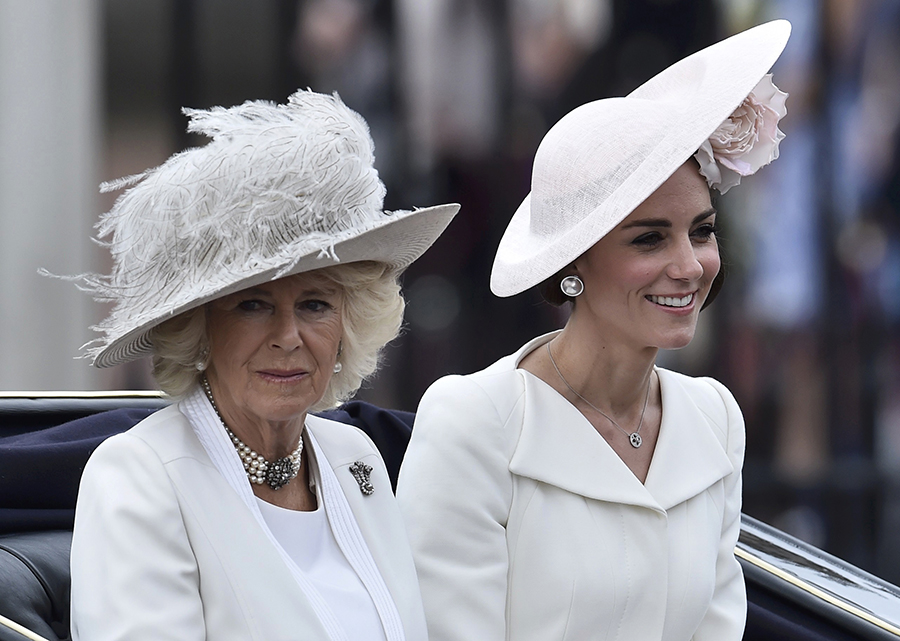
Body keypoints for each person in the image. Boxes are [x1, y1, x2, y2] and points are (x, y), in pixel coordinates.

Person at [396, 20, 790, 641]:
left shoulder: (714, 417)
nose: (689, 265)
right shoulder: (474, 423)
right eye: (649, 238)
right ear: (573, 261)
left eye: (703, 231)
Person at [64, 90, 458, 641]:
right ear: (200, 326)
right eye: (253, 305)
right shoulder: (139, 479)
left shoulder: (354, 459)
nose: (288, 337)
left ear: (349, 321)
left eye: (315, 304)